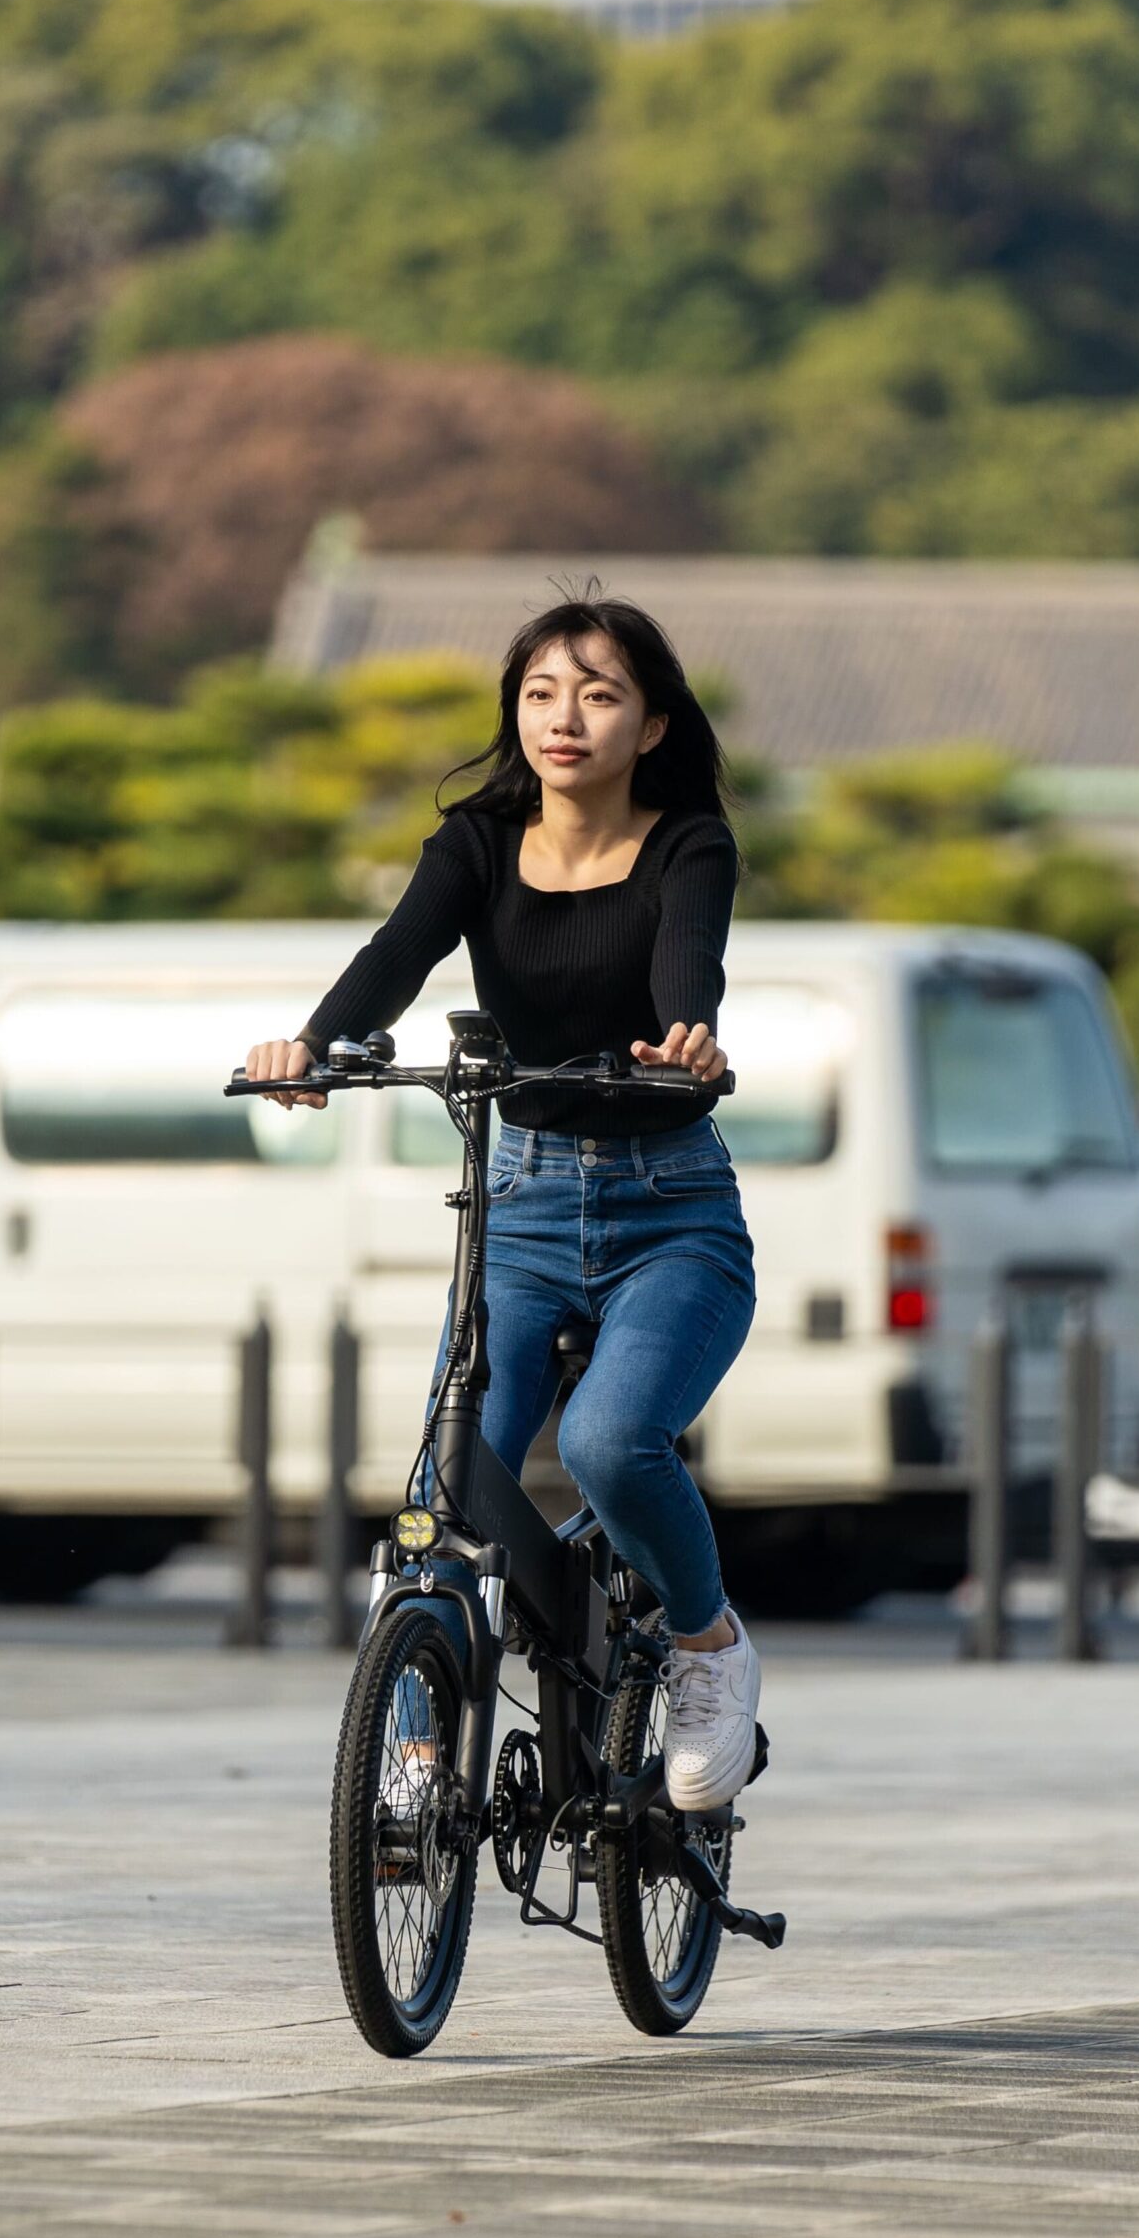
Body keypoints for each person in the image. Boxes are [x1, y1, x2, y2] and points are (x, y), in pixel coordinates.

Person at [245, 596, 761, 1812]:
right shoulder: (476, 842)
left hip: (670, 1213)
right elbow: (396, 952)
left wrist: (687, 1038)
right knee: (443, 1478)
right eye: (539, 693)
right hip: (520, 1207)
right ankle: (421, 1747)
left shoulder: (690, 842)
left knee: (606, 1444)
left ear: (651, 722)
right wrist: (315, 1044)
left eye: (597, 693)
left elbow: (692, 961)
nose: (564, 718)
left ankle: (706, 1646)